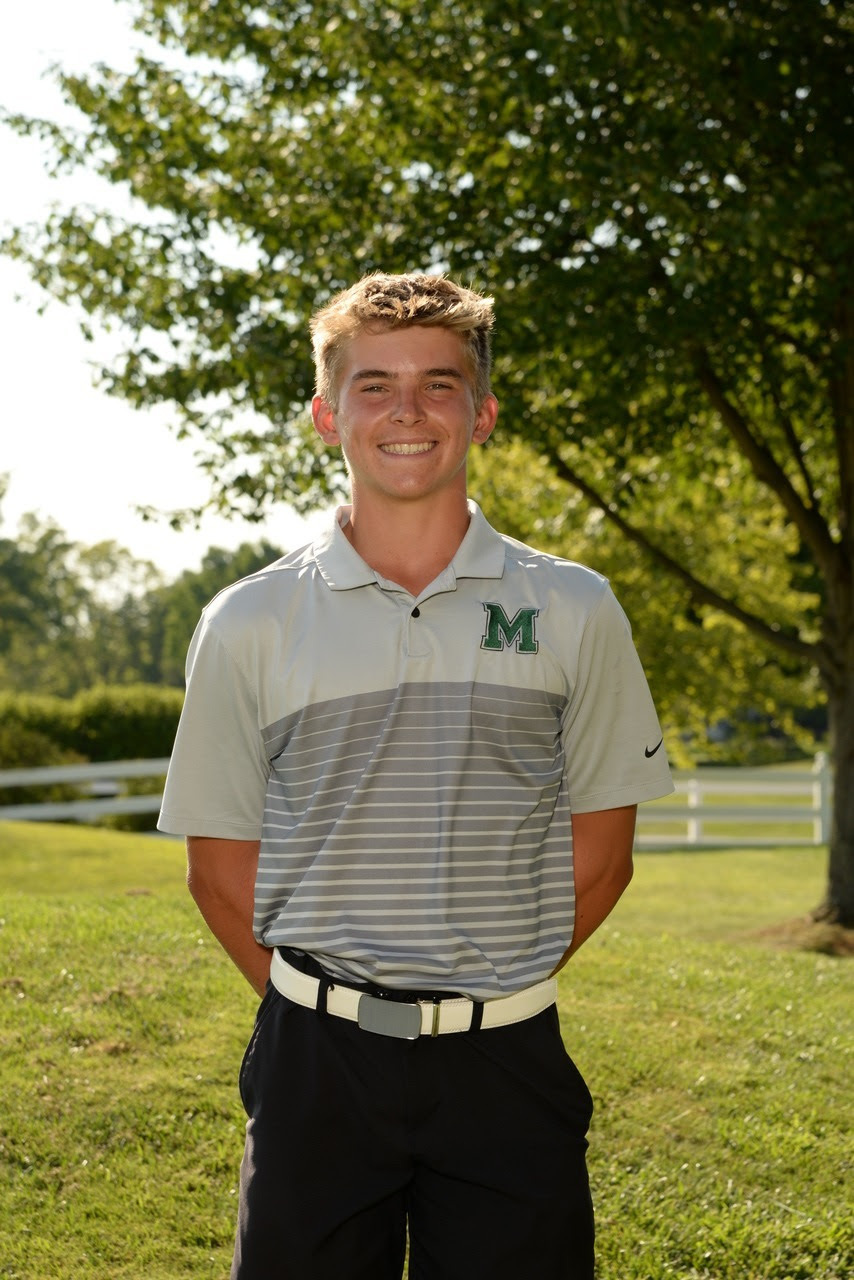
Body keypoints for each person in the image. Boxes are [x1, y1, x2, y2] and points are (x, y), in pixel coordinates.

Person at [158, 271, 674, 1280]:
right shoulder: (250, 620)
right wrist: (330, 1011)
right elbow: (220, 873)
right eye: (373, 383)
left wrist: (481, 987)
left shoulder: (574, 606)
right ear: (325, 413)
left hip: (508, 1059)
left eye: (438, 384)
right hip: (316, 1061)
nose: (406, 410)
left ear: (479, 412)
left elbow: (601, 858)